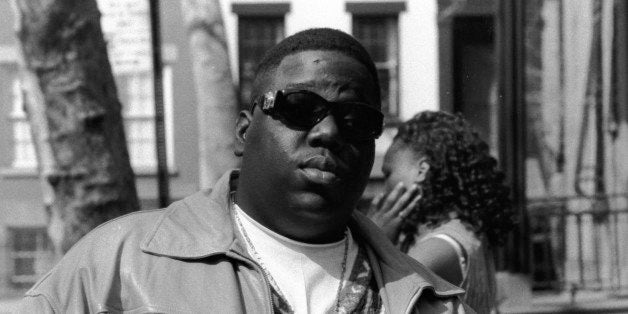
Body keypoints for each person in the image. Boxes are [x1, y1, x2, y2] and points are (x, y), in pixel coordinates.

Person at [19, 29, 471, 313]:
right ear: (243, 131)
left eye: (355, 119)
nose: (329, 131)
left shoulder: (432, 301)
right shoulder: (115, 264)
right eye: (300, 107)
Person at [367, 111, 515, 313]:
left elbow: (366, 299)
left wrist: (374, 236)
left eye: (388, 174)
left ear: (422, 170)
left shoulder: (440, 246)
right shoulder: (465, 232)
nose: (385, 188)